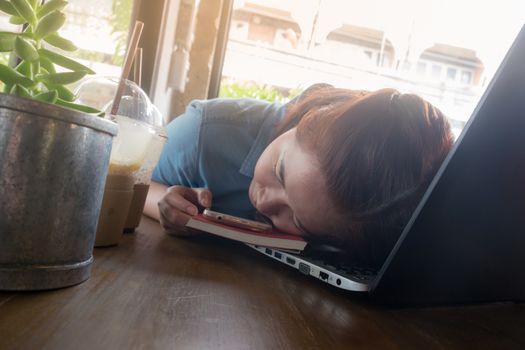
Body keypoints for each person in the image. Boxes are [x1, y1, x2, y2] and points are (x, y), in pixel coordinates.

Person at [144, 84, 454, 268]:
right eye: (279, 170)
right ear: (307, 116)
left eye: (300, 221)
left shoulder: (370, 225)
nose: (265, 202)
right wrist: (168, 204)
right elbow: (124, 179)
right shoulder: (203, 135)